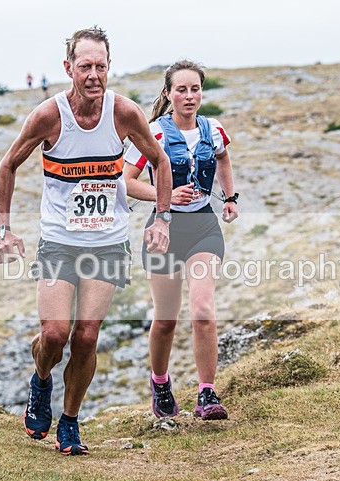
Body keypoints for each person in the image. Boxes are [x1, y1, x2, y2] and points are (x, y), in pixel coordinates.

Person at [0, 27, 172, 455]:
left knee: (87, 336)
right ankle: (41, 382)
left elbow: (160, 161)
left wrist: (162, 217)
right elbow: (8, 166)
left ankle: (70, 422)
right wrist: (3, 229)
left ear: (109, 67)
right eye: (85, 65)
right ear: (68, 68)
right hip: (59, 239)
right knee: (55, 334)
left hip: (107, 241)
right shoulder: (48, 116)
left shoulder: (124, 113)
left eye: (101, 66)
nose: (93, 74)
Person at [122, 60, 239, 421]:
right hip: (164, 230)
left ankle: (207, 393)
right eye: (181, 90)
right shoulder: (152, 132)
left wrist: (230, 198)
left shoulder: (213, 129)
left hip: (203, 227)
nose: (189, 96)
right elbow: (125, 181)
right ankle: (160, 383)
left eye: (195, 89)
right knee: (167, 318)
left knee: (203, 310)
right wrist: (167, 195)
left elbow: (223, 159)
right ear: (168, 93)